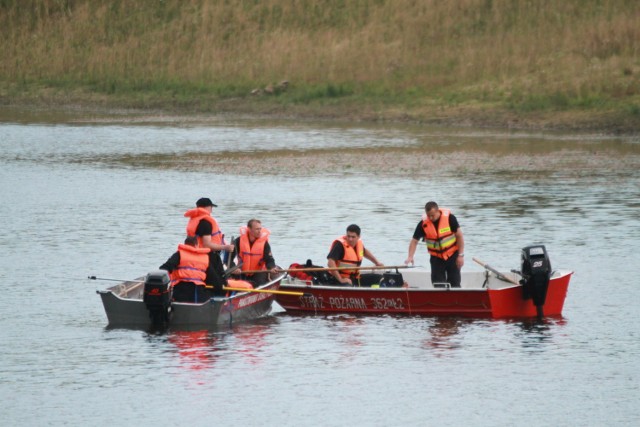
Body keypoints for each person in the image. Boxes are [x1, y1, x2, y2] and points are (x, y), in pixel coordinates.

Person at [405, 201, 465, 288]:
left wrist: (460, 255)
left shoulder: (450, 219)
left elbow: (459, 236)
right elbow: (414, 241)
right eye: (428, 215)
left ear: (438, 211)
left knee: (455, 283)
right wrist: (410, 256)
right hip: (436, 259)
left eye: (432, 215)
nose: (430, 217)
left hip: (452, 256)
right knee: (438, 285)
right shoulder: (423, 224)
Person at [159, 236, 228, 302]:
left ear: (185, 244)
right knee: (214, 292)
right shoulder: (204, 258)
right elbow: (214, 279)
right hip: (198, 294)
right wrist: (222, 287)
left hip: (180, 292)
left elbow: (164, 268)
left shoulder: (179, 254)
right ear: (196, 245)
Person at [230, 219, 279, 286]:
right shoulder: (238, 241)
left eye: (260, 229)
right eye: (257, 229)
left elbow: (269, 259)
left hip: (258, 272)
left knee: (256, 284)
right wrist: (234, 268)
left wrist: (272, 268)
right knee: (232, 280)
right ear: (249, 229)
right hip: (242, 272)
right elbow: (229, 259)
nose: (260, 232)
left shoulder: (264, 244)